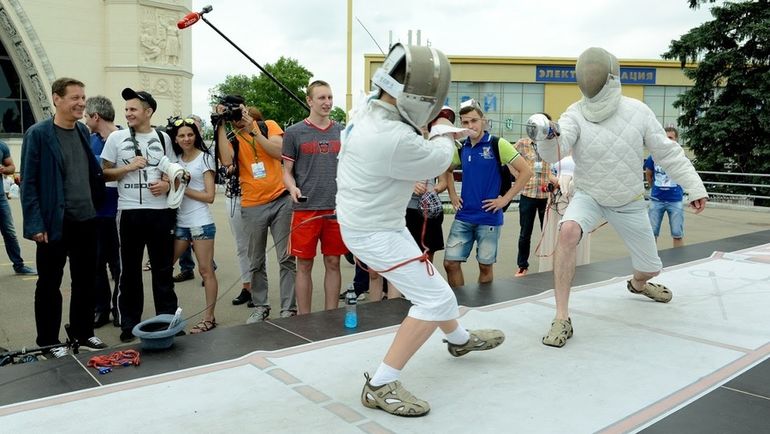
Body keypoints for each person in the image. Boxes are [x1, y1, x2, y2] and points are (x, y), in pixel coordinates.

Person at [337, 43, 506, 417]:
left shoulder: (366, 108)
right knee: (434, 299)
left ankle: (458, 341)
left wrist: (432, 124)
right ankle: (380, 384)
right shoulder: (392, 138)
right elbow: (442, 156)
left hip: (379, 221)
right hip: (372, 231)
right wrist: (444, 128)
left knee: (435, 289)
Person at [537, 47, 708, 348]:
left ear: (611, 76)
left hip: (628, 200)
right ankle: (562, 317)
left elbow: (667, 152)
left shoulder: (637, 111)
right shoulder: (574, 113)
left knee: (650, 267)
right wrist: (548, 135)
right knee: (567, 231)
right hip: (589, 194)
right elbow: (557, 150)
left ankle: (639, 283)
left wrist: (694, 187)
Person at [20, 77, 107, 353]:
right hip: (54, 224)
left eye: (83, 97)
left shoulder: (82, 131)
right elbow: (29, 182)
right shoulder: (39, 134)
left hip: (86, 220)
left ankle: (83, 333)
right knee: (49, 284)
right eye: (75, 98)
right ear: (57, 99)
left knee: (85, 281)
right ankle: (48, 341)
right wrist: (35, 223)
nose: (81, 103)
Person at [101, 87, 178, 343]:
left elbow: (171, 169)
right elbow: (104, 173)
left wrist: (167, 185)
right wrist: (129, 167)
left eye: (133, 109)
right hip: (129, 212)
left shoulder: (164, 138)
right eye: (126, 109)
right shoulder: (116, 138)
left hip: (159, 212)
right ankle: (129, 322)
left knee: (163, 270)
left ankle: (166, 320)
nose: (128, 113)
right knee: (129, 271)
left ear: (148, 112)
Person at [216, 101, 296, 322]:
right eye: (231, 114)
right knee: (256, 260)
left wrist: (253, 129)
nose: (237, 117)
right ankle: (261, 305)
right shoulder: (231, 136)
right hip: (252, 204)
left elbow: (279, 152)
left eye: (238, 111)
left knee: (286, 257)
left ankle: (289, 308)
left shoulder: (268, 125)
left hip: (281, 200)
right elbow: (225, 161)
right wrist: (220, 126)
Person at [443, 103, 532, 287]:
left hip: (489, 218)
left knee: (485, 267)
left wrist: (505, 199)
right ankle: (460, 306)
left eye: (474, 121)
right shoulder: (462, 148)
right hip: (464, 216)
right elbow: (448, 170)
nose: (470, 126)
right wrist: (452, 194)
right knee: (450, 263)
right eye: (465, 122)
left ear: (483, 121)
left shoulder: (497, 144)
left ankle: (481, 307)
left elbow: (526, 172)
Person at [282, 80, 347, 315]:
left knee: (333, 262)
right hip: (305, 208)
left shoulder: (343, 131)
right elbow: (286, 172)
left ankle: (331, 316)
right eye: (321, 98)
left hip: (336, 208)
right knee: (304, 265)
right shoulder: (293, 133)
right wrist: (292, 188)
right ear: (309, 101)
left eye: (330, 97)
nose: (327, 102)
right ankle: (304, 318)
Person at [169, 117, 218, 333]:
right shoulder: (174, 160)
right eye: (182, 135)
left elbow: (209, 196)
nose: (186, 138)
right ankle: (168, 315)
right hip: (180, 223)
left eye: (190, 134)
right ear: (176, 139)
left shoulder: (205, 159)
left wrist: (182, 187)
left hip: (201, 223)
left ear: (195, 136)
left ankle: (209, 318)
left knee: (206, 271)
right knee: (164, 266)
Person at [84, 95, 121, 328]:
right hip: (95, 213)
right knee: (96, 264)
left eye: (87, 115)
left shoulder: (126, 138)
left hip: (118, 212)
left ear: (96, 116)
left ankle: (120, 307)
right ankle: (101, 308)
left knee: (119, 265)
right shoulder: (89, 140)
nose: (85, 119)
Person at [514, 126, 559, 277]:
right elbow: (508, 159)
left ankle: (548, 264)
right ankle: (522, 265)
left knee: (546, 233)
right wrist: (517, 175)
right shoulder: (522, 143)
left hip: (545, 196)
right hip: (528, 194)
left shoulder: (549, 144)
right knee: (525, 233)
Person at [537, 155, 591, 272]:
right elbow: (547, 172)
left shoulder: (584, 149)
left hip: (577, 195)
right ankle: (553, 267)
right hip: (556, 197)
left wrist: (571, 182)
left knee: (575, 230)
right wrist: (557, 182)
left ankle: (576, 266)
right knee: (556, 231)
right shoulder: (554, 150)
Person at [644, 126, 687, 248]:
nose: (667, 140)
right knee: (652, 233)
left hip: (675, 200)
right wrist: (655, 188)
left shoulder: (680, 156)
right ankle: (651, 262)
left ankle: (678, 260)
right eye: (665, 138)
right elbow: (649, 174)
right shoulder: (654, 156)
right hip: (656, 200)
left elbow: (686, 175)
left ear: (676, 139)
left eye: (670, 138)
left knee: (677, 233)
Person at [0, 140, 36, 276]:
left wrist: (3, 169)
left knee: (9, 232)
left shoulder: (2, 146)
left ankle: (19, 265)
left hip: (1, 198)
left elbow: (12, 167)